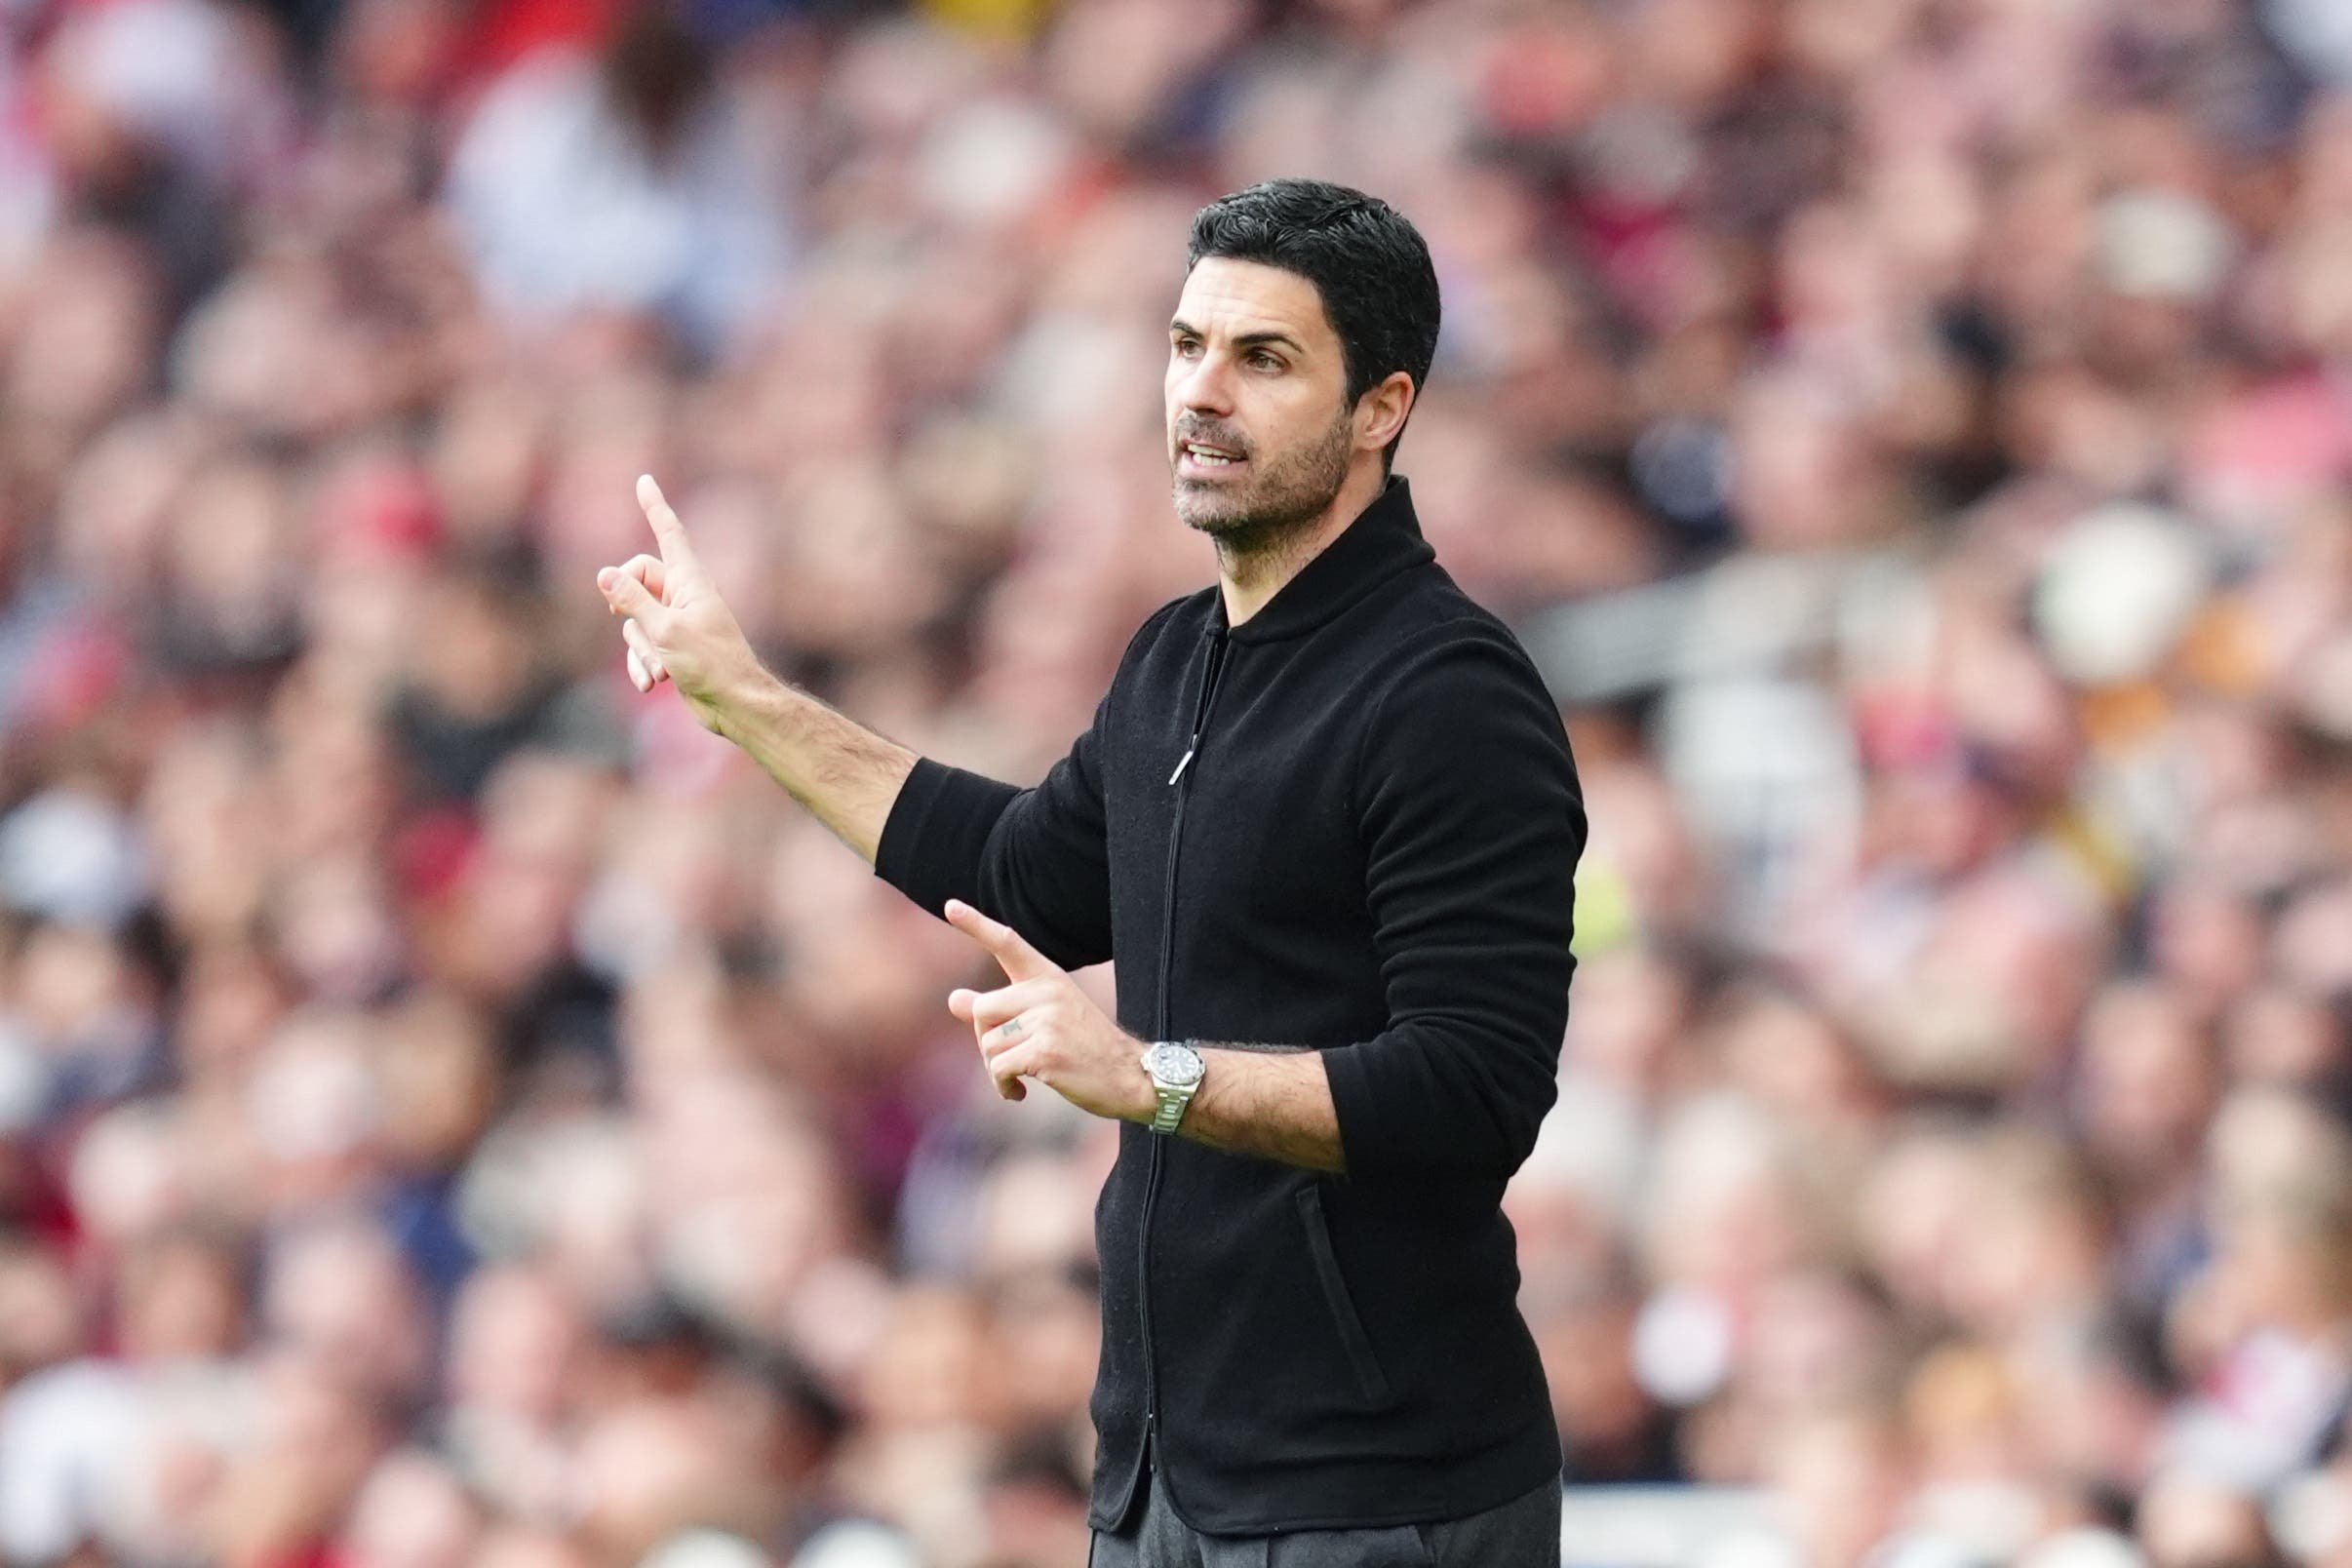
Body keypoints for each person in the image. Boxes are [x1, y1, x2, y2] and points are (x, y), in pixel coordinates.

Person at [596, 178, 1584, 1566]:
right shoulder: (1177, 658)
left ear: (1383, 407)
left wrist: (1149, 1076)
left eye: (1265, 359)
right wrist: (746, 696)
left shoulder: (1449, 694)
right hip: (1167, 1481)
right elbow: (1019, 873)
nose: (1202, 394)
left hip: (1378, 1495)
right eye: (1187, 347)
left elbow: (1475, 1088)